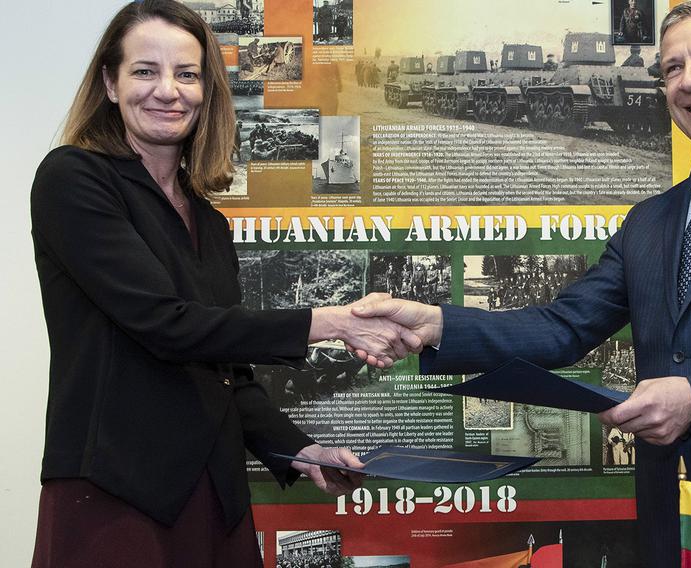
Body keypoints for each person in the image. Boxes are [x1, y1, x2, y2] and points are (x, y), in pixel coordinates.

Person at [352, 1, 691, 566]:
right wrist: (437, 323)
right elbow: (563, 327)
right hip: (668, 519)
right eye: (672, 68)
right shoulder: (649, 220)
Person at [29, 2, 417, 566]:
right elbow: (168, 326)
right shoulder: (73, 178)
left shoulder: (206, 220)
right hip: (116, 494)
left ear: (207, 91)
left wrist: (299, 450)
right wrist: (333, 322)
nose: (168, 90)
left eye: (187, 75)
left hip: (213, 497)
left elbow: (226, 373)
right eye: (145, 71)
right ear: (110, 84)